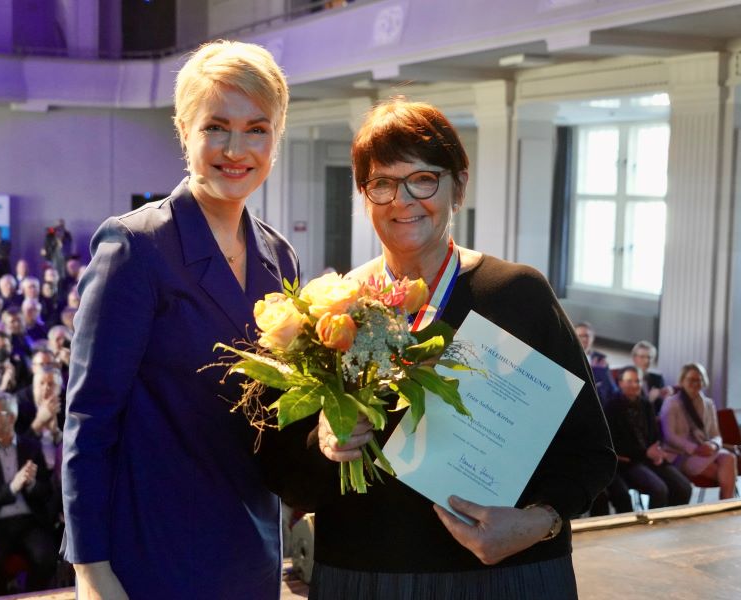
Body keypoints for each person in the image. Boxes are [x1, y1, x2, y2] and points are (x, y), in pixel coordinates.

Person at [263, 99, 615, 599]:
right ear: (364, 195)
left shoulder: (517, 295)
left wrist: (538, 522)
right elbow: (285, 476)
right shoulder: (330, 310)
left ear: (459, 188)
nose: (402, 200)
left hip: (508, 577)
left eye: (423, 178)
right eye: (382, 182)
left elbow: (590, 453)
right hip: (366, 578)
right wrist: (325, 442)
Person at [62, 39, 296, 598]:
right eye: (216, 126)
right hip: (154, 552)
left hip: (252, 550)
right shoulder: (136, 247)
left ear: (276, 137)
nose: (236, 148)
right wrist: (90, 568)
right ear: (183, 129)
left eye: (257, 128)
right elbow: (89, 419)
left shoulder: (279, 255)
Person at [0, 392, 56, 597]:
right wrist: (12, 487)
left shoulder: (31, 447)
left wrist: (31, 484)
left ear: (12, 417)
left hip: (28, 520)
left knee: (46, 558)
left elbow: (46, 491)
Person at [603, 367, 691, 512]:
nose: (634, 385)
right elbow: (614, 443)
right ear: (620, 383)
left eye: (637, 381)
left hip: (650, 457)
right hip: (629, 462)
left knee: (684, 487)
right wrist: (645, 453)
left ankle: (671, 521)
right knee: (659, 489)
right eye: (629, 381)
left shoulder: (646, 404)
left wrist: (656, 451)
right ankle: (653, 530)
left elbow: (655, 435)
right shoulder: (611, 407)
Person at [660, 362, 738, 500]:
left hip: (706, 450)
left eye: (699, 379)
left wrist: (713, 445)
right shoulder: (672, 402)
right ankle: (727, 504)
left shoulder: (708, 403)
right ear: (682, 381)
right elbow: (669, 435)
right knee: (725, 472)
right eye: (691, 379)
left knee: (729, 458)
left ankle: (726, 504)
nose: (695, 383)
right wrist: (695, 448)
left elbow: (716, 434)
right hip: (681, 454)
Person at [574, 321, 617, 405]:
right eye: (580, 336)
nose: (584, 339)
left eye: (586, 336)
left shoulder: (601, 360)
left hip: (597, 403)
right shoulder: (568, 356)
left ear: (592, 338)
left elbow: (611, 388)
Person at [627, 340, 674, 413]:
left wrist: (667, 398)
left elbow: (663, 408)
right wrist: (649, 400)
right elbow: (630, 410)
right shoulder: (626, 380)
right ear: (634, 358)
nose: (646, 361)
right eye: (642, 357)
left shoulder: (658, 379)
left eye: (649, 357)